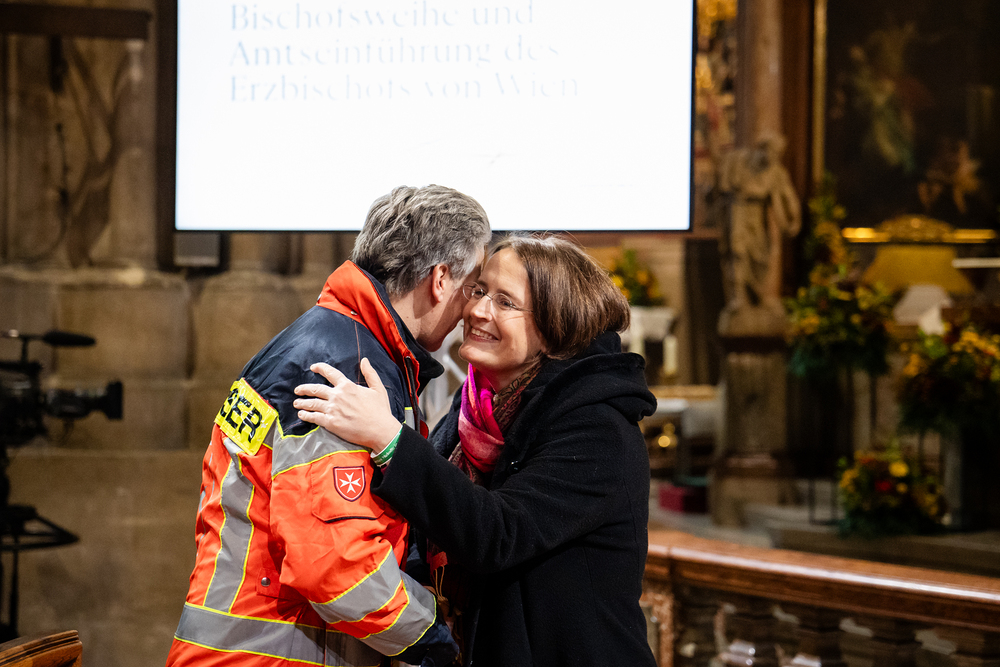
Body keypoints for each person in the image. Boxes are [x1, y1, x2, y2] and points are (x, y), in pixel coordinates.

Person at [293, 235, 658, 667]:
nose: (477, 311)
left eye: (505, 302)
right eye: (480, 290)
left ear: (556, 328)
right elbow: (430, 519)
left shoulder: (598, 427)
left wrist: (389, 438)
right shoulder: (474, 407)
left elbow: (497, 534)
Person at [166, 185, 491, 667]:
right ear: (440, 279)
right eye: (475, 287)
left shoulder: (332, 340)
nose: (473, 309)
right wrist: (436, 638)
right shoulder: (344, 365)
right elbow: (335, 566)